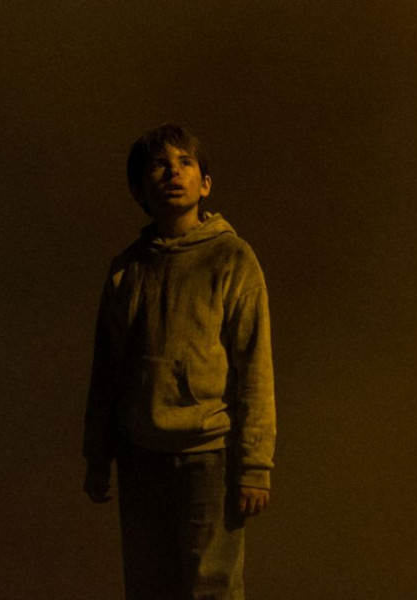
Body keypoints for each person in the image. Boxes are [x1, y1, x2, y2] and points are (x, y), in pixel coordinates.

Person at [82, 123, 276, 599]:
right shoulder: (128, 268)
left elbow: (255, 367)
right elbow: (107, 371)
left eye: (185, 163)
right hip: (140, 455)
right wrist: (98, 455)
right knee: (148, 587)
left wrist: (255, 466)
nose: (173, 173)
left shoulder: (232, 258)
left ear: (205, 183)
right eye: (159, 165)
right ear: (139, 190)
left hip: (208, 455)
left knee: (212, 588)